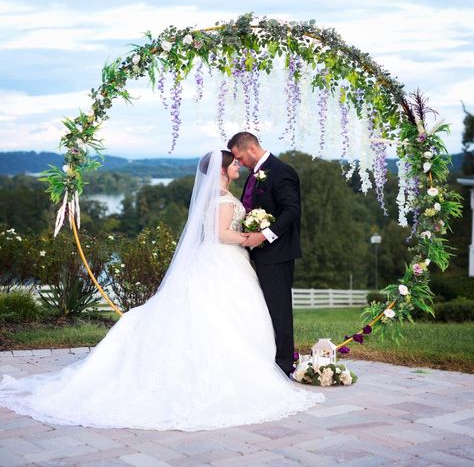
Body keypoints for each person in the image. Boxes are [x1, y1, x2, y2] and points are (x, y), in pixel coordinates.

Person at [0, 150, 323, 431]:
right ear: (223, 171)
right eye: (234, 164)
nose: (238, 167)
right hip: (223, 258)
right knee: (220, 314)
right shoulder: (223, 199)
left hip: (223, 262)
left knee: (223, 313)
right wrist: (248, 237)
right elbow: (221, 234)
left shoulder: (216, 197)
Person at [227, 132, 301, 376]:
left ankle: (283, 366)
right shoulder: (254, 174)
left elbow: (291, 211)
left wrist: (264, 235)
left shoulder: (282, 171)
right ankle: (268, 357)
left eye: (238, 157)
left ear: (250, 149)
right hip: (256, 253)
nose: (238, 162)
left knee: (279, 310)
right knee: (263, 308)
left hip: (276, 253)